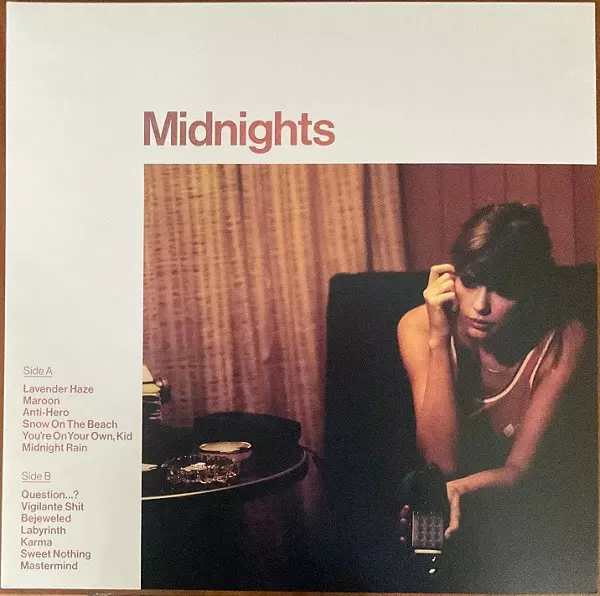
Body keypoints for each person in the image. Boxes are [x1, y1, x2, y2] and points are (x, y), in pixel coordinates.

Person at [397, 203, 586, 547]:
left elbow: (518, 471)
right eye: (470, 282)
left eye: (504, 288)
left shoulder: (562, 339)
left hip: (524, 519)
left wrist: (457, 490)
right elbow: (441, 461)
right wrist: (439, 340)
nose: (480, 305)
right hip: (442, 509)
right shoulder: (419, 327)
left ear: (530, 290)